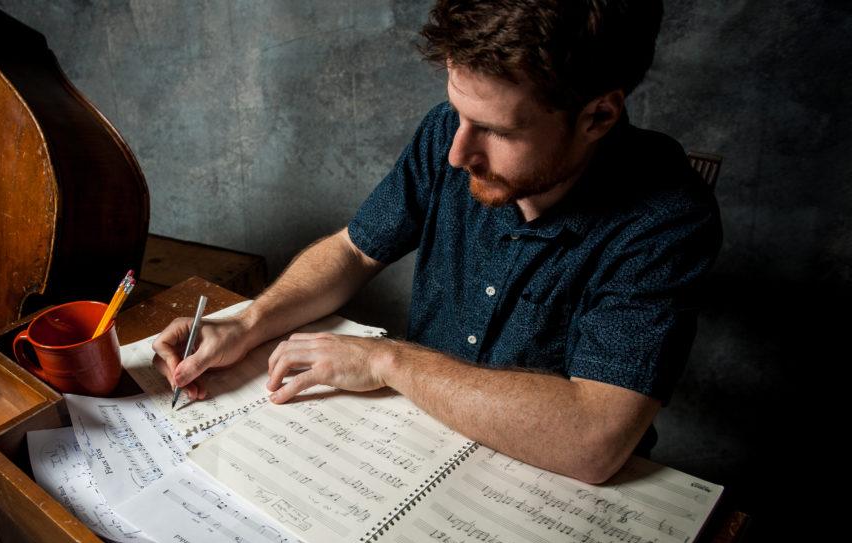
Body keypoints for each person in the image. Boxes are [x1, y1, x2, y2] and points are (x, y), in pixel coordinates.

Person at [152, 0, 720, 485]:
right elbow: (353, 251)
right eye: (457, 111)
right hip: (415, 445)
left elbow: (594, 439)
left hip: (553, 487)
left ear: (598, 115)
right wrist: (249, 322)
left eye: (498, 130)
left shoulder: (667, 217)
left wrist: (386, 360)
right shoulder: (447, 134)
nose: (457, 153)